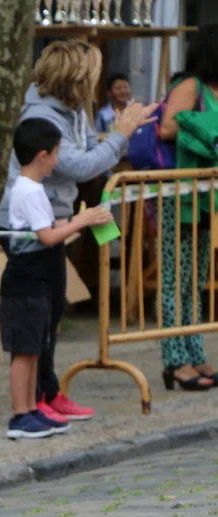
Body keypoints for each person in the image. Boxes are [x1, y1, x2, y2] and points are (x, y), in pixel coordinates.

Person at [0, 41, 156, 423]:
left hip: (54, 218)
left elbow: (85, 153)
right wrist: (120, 136)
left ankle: (46, 393)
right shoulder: (43, 116)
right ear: (75, 78)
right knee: (38, 318)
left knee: (50, 313)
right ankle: (32, 403)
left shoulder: (71, 109)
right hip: (37, 225)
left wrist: (119, 132)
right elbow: (81, 166)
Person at [0, 119, 113, 440]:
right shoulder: (28, 190)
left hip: (35, 281)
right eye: (56, 153)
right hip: (25, 281)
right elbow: (48, 237)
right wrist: (81, 221)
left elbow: (47, 228)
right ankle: (20, 415)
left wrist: (80, 220)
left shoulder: (31, 189)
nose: (58, 160)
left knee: (35, 348)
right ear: (42, 156)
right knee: (24, 351)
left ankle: (32, 408)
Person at [155, 25, 218, 390]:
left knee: (195, 278)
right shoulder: (190, 86)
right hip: (179, 195)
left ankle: (195, 352)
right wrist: (206, 131)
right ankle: (175, 360)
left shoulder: (212, 90)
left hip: (205, 196)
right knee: (174, 279)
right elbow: (167, 127)